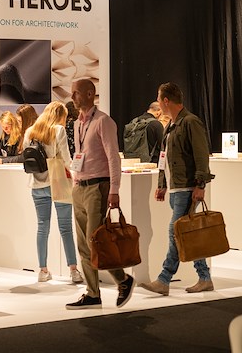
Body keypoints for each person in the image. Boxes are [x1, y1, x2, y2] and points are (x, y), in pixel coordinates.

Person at [139, 82, 214, 296]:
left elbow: (201, 156)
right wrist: (162, 184)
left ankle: (164, 279)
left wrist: (200, 185)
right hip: (175, 189)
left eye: (158, 98)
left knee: (175, 232)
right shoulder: (170, 126)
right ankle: (205, 277)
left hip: (187, 188)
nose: (158, 103)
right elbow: (164, 158)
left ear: (165, 100)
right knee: (185, 234)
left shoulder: (190, 122)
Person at [66, 78, 135, 310]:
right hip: (79, 186)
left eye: (76, 93)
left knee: (95, 242)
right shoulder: (78, 124)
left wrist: (114, 189)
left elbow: (113, 157)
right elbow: (80, 155)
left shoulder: (103, 121)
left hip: (97, 187)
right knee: (83, 245)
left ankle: (122, 280)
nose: (72, 97)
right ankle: (93, 293)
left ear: (89, 94)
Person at [24, 102, 83, 284]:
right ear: (60, 116)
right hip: (57, 182)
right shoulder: (58, 130)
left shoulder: (30, 131)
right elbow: (65, 159)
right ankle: (73, 270)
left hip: (37, 184)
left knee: (42, 227)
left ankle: (43, 270)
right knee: (65, 228)